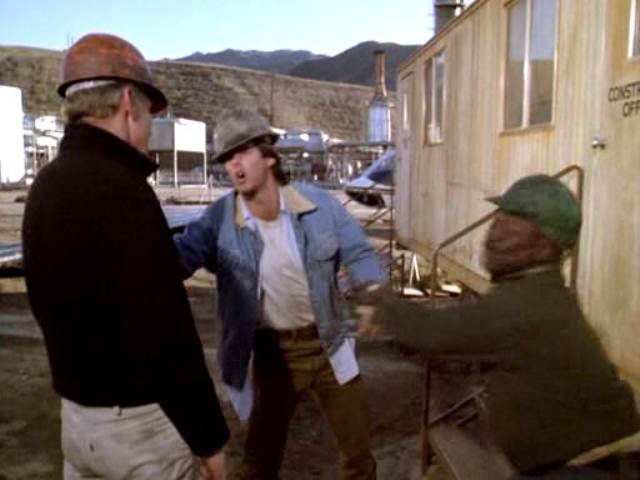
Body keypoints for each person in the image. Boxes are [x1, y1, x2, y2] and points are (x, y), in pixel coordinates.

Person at [22, 33, 229, 479]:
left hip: (77, 422)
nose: (151, 127)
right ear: (129, 103)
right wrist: (209, 440)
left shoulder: (45, 185)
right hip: (139, 434)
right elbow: (166, 334)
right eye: (151, 115)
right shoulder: (125, 192)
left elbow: (43, 304)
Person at [356, 174, 640, 478]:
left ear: (545, 247)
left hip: (593, 466)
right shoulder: (535, 290)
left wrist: (382, 304)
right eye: (497, 221)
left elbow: (439, 330)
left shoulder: (532, 302)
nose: (494, 236)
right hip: (575, 459)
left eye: (512, 229)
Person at [174, 109, 385, 479]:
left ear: (269, 156)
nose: (234, 165)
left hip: (330, 344)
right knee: (260, 461)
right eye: (227, 158)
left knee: (358, 456)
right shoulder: (219, 219)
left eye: (242, 152)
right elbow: (180, 256)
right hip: (274, 354)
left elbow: (359, 252)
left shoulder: (319, 206)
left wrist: (370, 296)